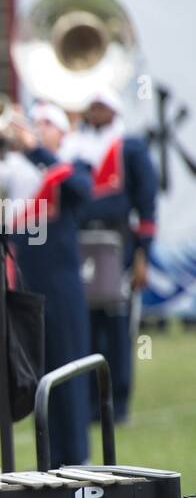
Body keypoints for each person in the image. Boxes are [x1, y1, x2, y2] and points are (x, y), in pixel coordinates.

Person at [63, 87, 158, 424]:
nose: (96, 110)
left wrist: (143, 255)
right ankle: (88, 402)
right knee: (85, 325)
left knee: (117, 325)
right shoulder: (72, 147)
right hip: (80, 241)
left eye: (102, 105)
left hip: (118, 244)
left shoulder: (130, 147)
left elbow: (146, 202)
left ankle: (117, 403)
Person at [13, 102, 95, 467]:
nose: (40, 128)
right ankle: (51, 460)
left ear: (62, 132)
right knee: (42, 376)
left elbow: (82, 190)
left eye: (48, 123)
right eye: (38, 123)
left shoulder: (73, 163)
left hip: (63, 290)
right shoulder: (21, 170)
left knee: (70, 375)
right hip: (31, 290)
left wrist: (39, 150)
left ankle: (77, 458)